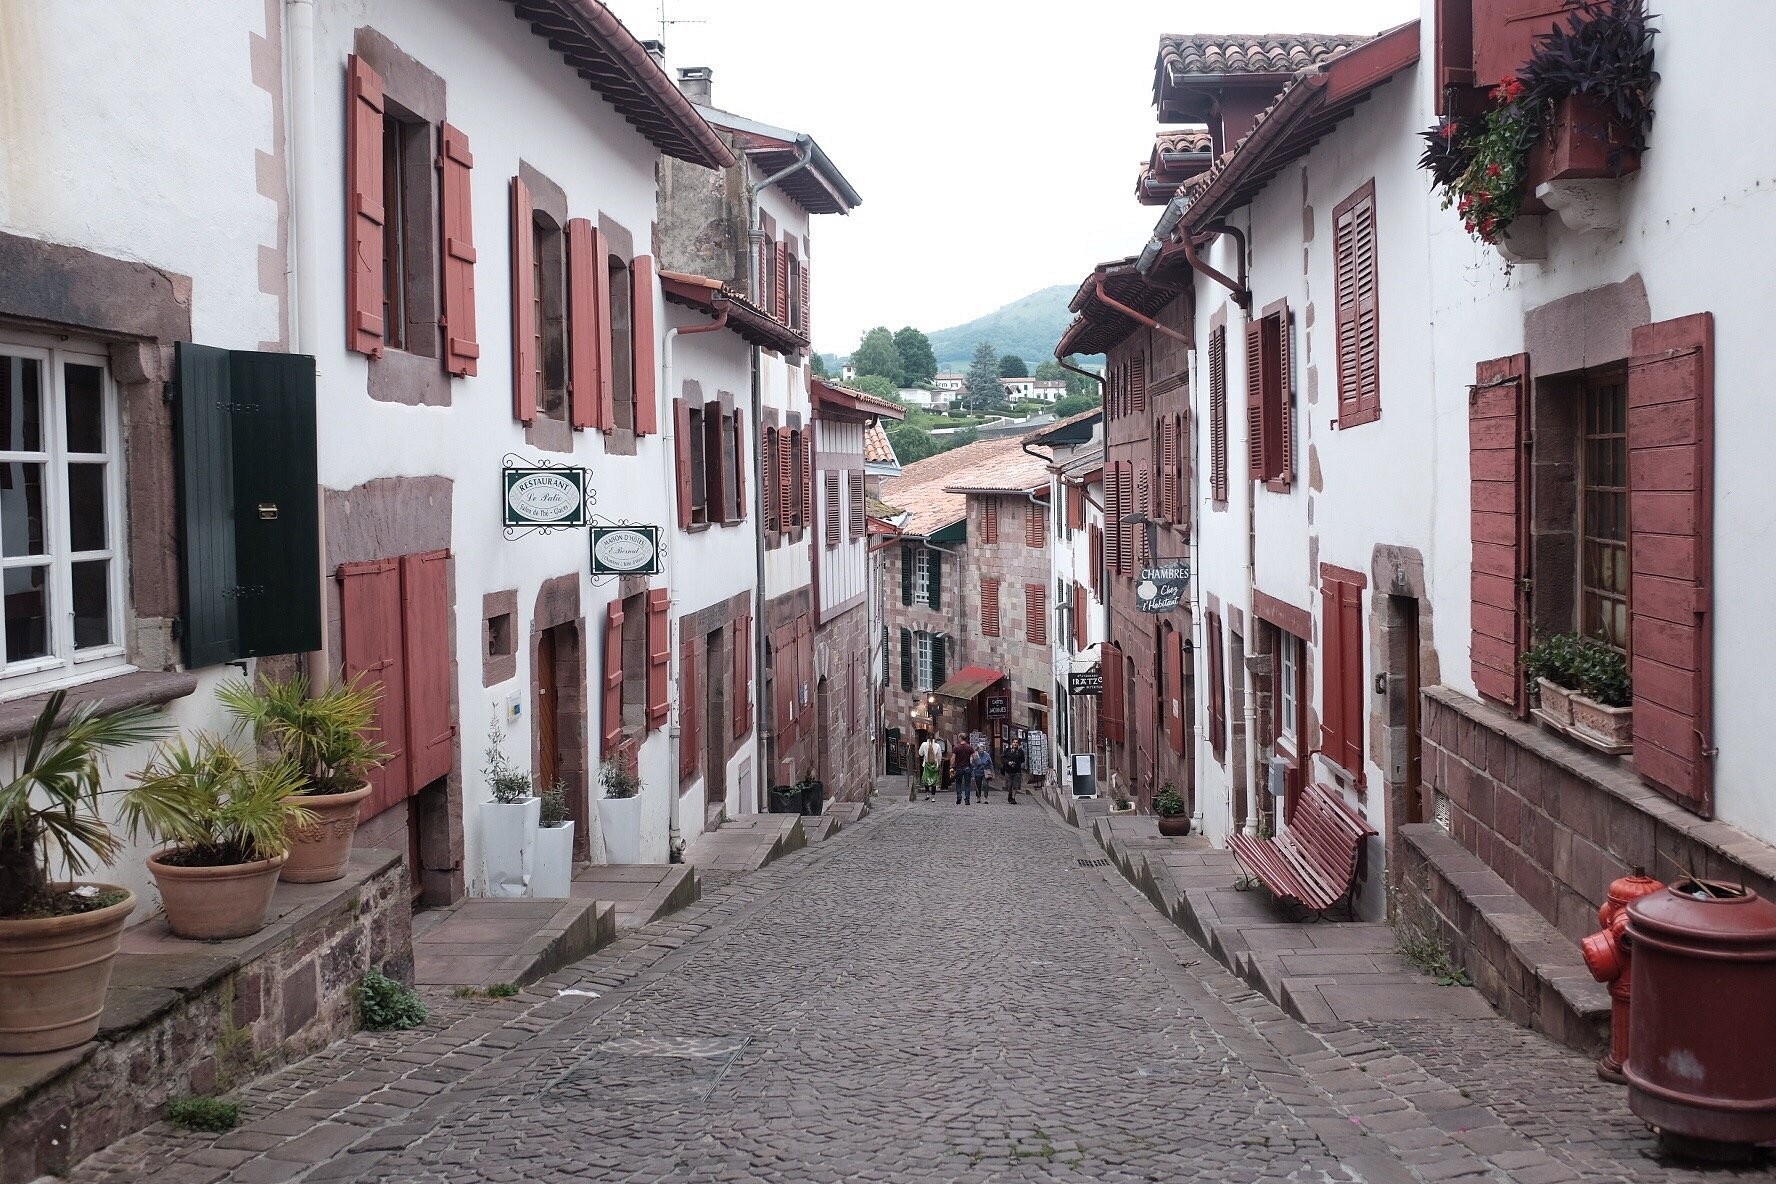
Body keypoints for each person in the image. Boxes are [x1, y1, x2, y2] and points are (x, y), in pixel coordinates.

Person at [916, 733, 945, 802]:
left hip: (926, 764)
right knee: (934, 781)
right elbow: (939, 756)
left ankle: (927, 794)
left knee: (926, 779)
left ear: (927, 737)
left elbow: (920, 753)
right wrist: (938, 763)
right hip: (934, 764)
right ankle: (933, 797)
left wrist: (924, 752)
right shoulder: (937, 745)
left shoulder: (924, 744)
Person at [1001, 735, 1026, 804]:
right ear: (1012, 743)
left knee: (1015, 785)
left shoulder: (1020, 751)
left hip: (1017, 771)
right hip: (1008, 771)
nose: (1015, 744)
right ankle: (1010, 793)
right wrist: (1008, 762)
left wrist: (1016, 762)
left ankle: (1013, 798)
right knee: (1009, 785)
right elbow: (1003, 758)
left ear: (1018, 744)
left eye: (1016, 742)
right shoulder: (1007, 750)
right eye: (1014, 742)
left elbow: (1023, 760)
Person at [951, 733, 975, 805]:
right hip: (967, 768)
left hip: (959, 768)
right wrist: (973, 763)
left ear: (960, 738)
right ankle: (967, 799)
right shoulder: (970, 747)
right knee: (967, 784)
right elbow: (975, 757)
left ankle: (959, 797)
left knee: (958, 783)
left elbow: (953, 758)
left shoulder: (956, 747)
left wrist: (951, 766)